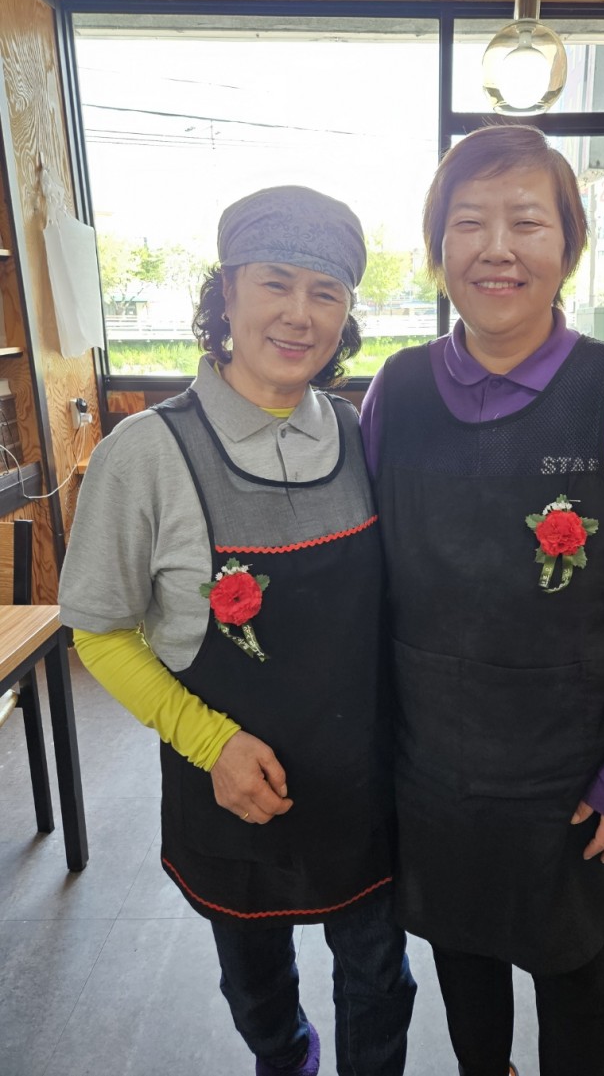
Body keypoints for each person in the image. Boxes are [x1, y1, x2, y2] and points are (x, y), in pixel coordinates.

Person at [360, 125, 604, 1076]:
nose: (496, 248)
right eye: (468, 223)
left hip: (574, 773)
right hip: (433, 766)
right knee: (460, 957)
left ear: (568, 245)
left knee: (577, 973)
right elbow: (366, 584)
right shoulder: (397, 389)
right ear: (438, 250)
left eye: (526, 221)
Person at [59, 185, 416, 1076]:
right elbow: (99, 632)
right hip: (229, 789)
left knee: (380, 976)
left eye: (326, 292)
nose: (300, 314)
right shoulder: (146, 452)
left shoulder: (359, 435)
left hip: (363, 784)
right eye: (275, 283)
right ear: (225, 293)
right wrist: (209, 741)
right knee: (256, 984)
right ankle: (286, 1057)